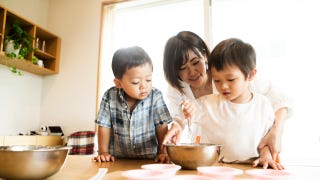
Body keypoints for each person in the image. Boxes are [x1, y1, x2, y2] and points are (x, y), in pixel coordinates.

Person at [162, 31, 291, 161]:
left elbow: (280, 101)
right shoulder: (182, 91)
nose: (192, 72)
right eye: (183, 68)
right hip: (212, 160)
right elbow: (180, 117)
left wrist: (276, 132)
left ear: (205, 55)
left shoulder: (234, 74)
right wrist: (177, 125)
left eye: (195, 62)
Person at [187, 38, 283, 169]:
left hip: (252, 168)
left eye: (231, 79)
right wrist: (186, 109)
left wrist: (266, 156)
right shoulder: (208, 103)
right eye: (217, 80)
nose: (223, 86)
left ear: (250, 75)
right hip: (218, 169)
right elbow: (188, 116)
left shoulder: (262, 105)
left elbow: (266, 141)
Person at [94, 46, 172, 163]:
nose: (144, 86)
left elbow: (162, 126)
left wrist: (163, 152)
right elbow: (104, 126)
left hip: (150, 160)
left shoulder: (155, 96)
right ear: (118, 83)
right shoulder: (110, 96)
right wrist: (103, 152)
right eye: (136, 82)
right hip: (118, 160)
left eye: (148, 80)